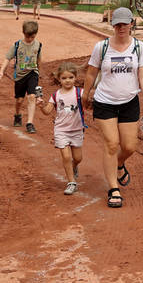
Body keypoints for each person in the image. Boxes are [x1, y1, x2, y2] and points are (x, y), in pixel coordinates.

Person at [84, 8, 143, 209]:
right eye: (117, 24)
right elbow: (91, 73)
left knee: (130, 146)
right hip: (105, 102)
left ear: (132, 23)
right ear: (112, 24)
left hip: (129, 102)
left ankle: (119, 164)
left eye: (124, 23)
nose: (121, 27)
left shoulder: (139, 47)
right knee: (112, 144)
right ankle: (113, 188)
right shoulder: (102, 47)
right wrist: (85, 95)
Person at [37, 62, 88, 195]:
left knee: (78, 158)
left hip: (77, 129)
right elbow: (48, 111)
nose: (67, 81)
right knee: (66, 156)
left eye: (70, 77)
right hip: (61, 130)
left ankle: (74, 166)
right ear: (59, 79)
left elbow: (88, 104)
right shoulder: (56, 95)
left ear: (75, 77)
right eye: (64, 78)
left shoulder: (80, 93)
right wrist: (41, 106)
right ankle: (71, 182)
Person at [0, 19, 43, 132]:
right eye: (27, 37)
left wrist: (39, 73)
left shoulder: (38, 45)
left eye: (32, 37)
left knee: (31, 96)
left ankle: (30, 123)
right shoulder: (17, 45)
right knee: (19, 100)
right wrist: (1, 72)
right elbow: (7, 58)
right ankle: (17, 114)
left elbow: (39, 60)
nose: (30, 39)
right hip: (20, 76)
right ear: (23, 33)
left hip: (32, 73)